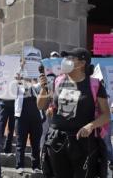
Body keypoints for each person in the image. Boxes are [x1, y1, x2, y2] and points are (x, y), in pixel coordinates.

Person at [37, 48, 110, 178]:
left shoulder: (95, 85)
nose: (65, 61)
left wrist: (90, 126)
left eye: (70, 58)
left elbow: (106, 115)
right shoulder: (58, 81)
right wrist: (43, 90)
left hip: (83, 143)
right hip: (57, 142)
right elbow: (41, 105)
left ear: (82, 63)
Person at [14, 77, 43, 174]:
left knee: (35, 143)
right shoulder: (18, 87)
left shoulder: (36, 87)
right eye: (24, 79)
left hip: (36, 118)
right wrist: (18, 79)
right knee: (20, 143)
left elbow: (41, 86)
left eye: (28, 79)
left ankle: (36, 166)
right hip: (21, 118)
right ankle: (19, 165)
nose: (27, 81)